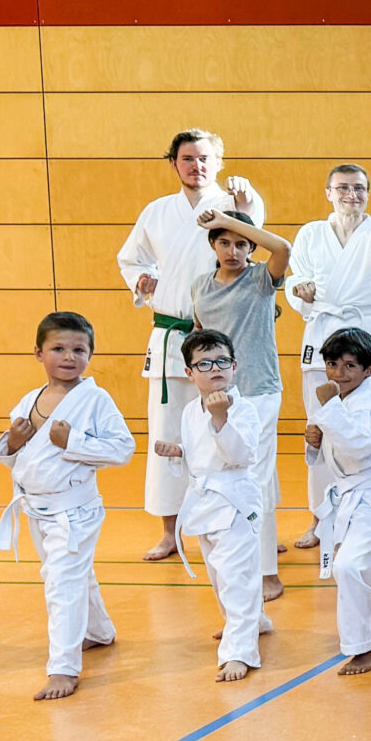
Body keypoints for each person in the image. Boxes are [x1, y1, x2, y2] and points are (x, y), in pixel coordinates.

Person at [115, 128, 257, 562]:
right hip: (170, 336)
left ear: (219, 162)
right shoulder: (157, 212)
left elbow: (253, 237)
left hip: (219, 342)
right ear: (174, 163)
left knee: (229, 429)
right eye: (187, 159)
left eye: (204, 159)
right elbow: (131, 257)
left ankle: (245, 518)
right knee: (167, 434)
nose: (196, 166)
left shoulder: (233, 203)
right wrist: (141, 279)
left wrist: (245, 203)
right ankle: (169, 530)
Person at [0, 312, 137, 701]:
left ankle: (63, 667)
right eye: (59, 348)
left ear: (91, 354)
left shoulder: (95, 399)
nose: (69, 357)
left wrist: (73, 442)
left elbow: (123, 449)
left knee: (62, 581)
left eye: (79, 349)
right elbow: (19, 461)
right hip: (36, 508)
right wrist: (11, 443)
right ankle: (98, 631)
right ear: (38, 353)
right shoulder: (29, 399)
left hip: (75, 510)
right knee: (74, 574)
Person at [286, 164, 371, 551]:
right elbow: (294, 277)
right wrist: (299, 289)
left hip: (369, 332)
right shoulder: (310, 233)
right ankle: (319, 518)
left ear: (368, 192)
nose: (352, 195)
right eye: (343, 188)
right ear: (328, 192)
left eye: (359, 188)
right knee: (320, 428)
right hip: (322, 334)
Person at [156, 328, 277, 681]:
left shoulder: (245, 409)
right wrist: (178, 452)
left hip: (235, 502)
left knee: (235, 577)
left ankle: (240, 651)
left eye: (222, 361)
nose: (215, 369)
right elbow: (200, 458)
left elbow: (240, 455)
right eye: (204, 363)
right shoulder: (191, 410)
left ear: (235, 365)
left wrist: (221, 419)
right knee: (218, 576)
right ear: (190, 373)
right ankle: (253, 621)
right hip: (205, 503)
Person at [188, 209, 291, 598]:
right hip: (219, 396)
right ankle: (234, 556)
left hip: (261, 390)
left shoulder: (262, 279)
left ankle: (267, 572)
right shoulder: (200, 286)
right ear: (213, 245)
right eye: (225, 242)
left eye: (241, 244)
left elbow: (282, 247)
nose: (233, 250)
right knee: (225, 475)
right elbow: (201, 337)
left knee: (256, 478)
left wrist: (230, 220)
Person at [305, 327, 371, 678]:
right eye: (333, 365)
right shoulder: (337, 402)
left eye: (350, 366)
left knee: (348, 566)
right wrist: (314, 442)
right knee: (367, 562)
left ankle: (363, 648)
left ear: (369, 370)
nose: (339, 374)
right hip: (349, 494)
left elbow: (360, 445)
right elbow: (322, 460)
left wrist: (329, 411)